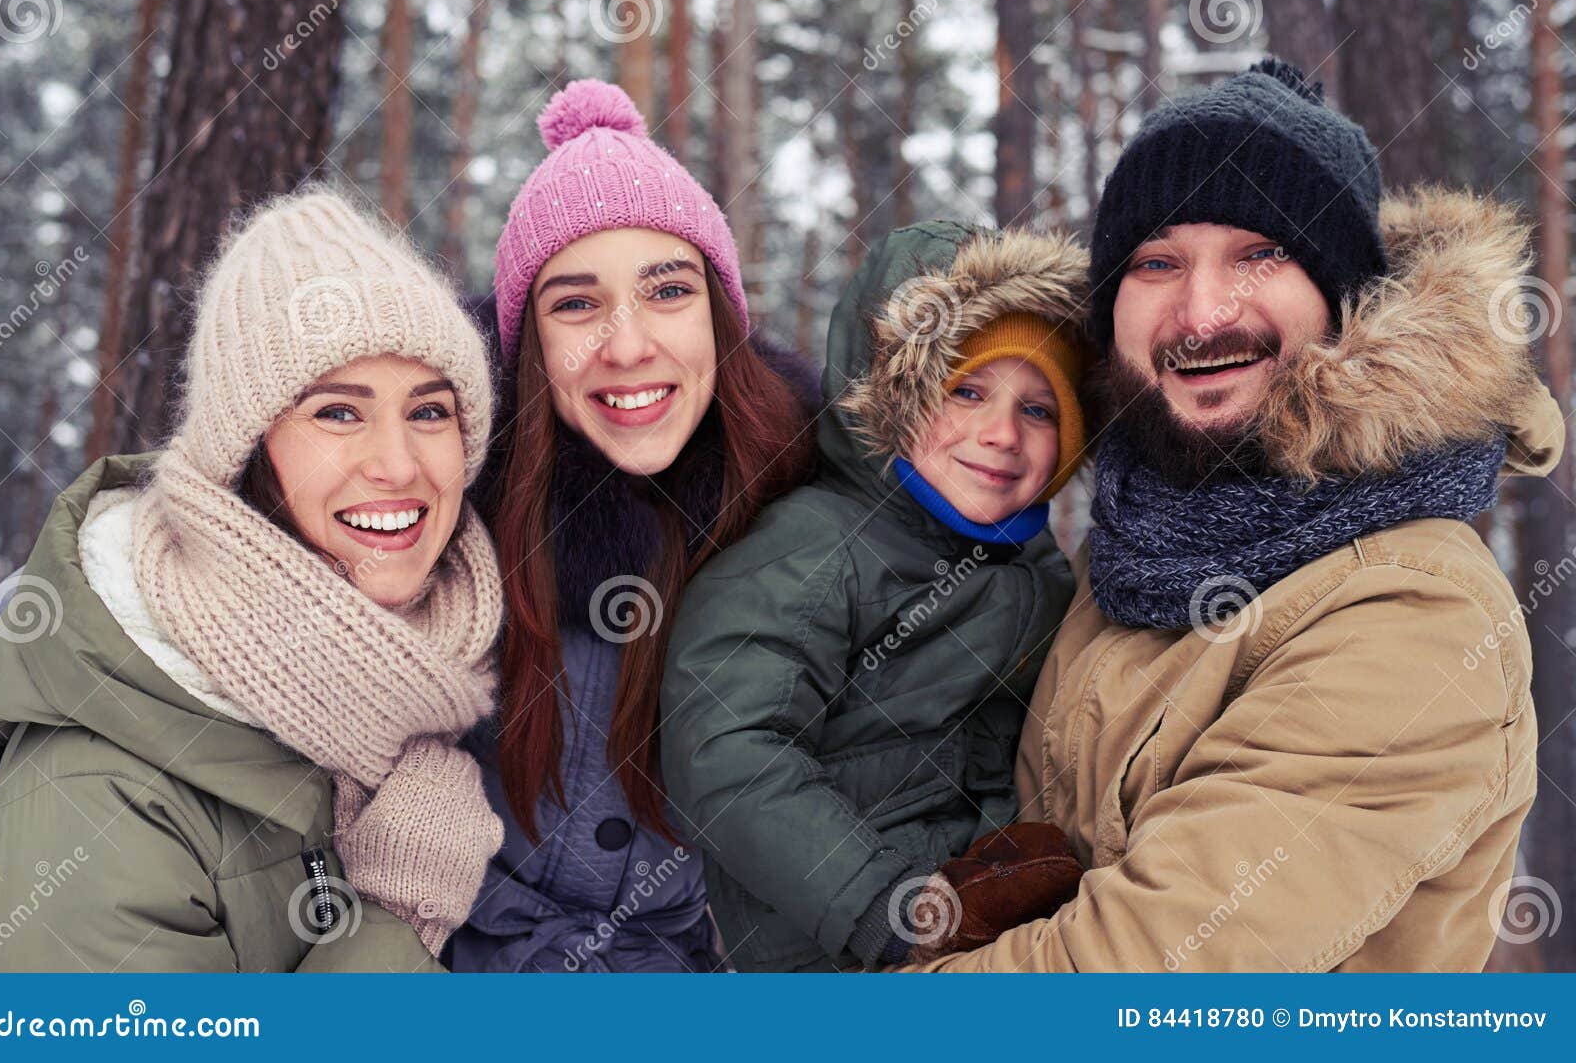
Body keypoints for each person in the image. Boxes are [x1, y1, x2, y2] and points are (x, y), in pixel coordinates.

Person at [913, 59, 1566, 972]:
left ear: (1349, 301)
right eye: (1157, 262)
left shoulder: (1413, 609)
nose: (1202, 311)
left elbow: (1128, 978)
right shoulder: (1143, 536)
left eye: (1263, 253)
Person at [0, 190, 504, 971]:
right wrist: (395, 912)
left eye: (429, 413)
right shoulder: (91, 794)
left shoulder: (447, 682)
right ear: (245, 451)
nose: (398, 464)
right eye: (338, 414)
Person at [444, 79, 816, 972]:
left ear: (720, 314)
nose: (626, 344)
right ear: (526, 340)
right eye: (576, 304)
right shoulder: (447, 519)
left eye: (666, 290)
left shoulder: (811, 514)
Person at [660, 220, 1091, 971]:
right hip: (836, 946)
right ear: (891, 395)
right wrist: (889, 906)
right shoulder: (815, 548)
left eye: (1039, 409)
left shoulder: (1042, 571)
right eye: (967, 390)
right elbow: (727, 750)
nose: (1001, 434)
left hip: (991, 929)